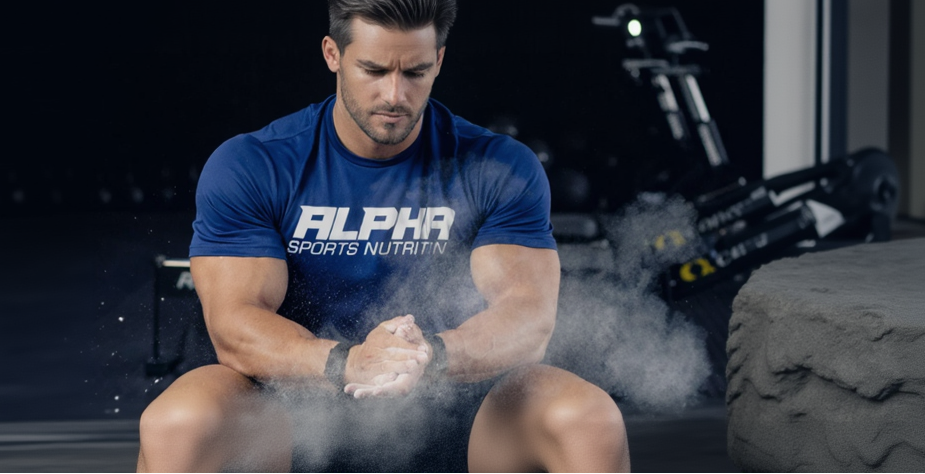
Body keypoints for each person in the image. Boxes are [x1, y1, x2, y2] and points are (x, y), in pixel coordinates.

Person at [136, 0, 630, 471]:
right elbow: (234, 325)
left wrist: (430, 356)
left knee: (589, 419)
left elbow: (528, 318)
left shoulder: (497, 167)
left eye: (415, 72)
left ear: (438, 61)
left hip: (458, 416)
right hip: (296, 420)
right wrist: (349, 364)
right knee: (176, 422)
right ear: (333, 55)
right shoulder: (255, 164)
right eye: (374, 70)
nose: (395, 95)